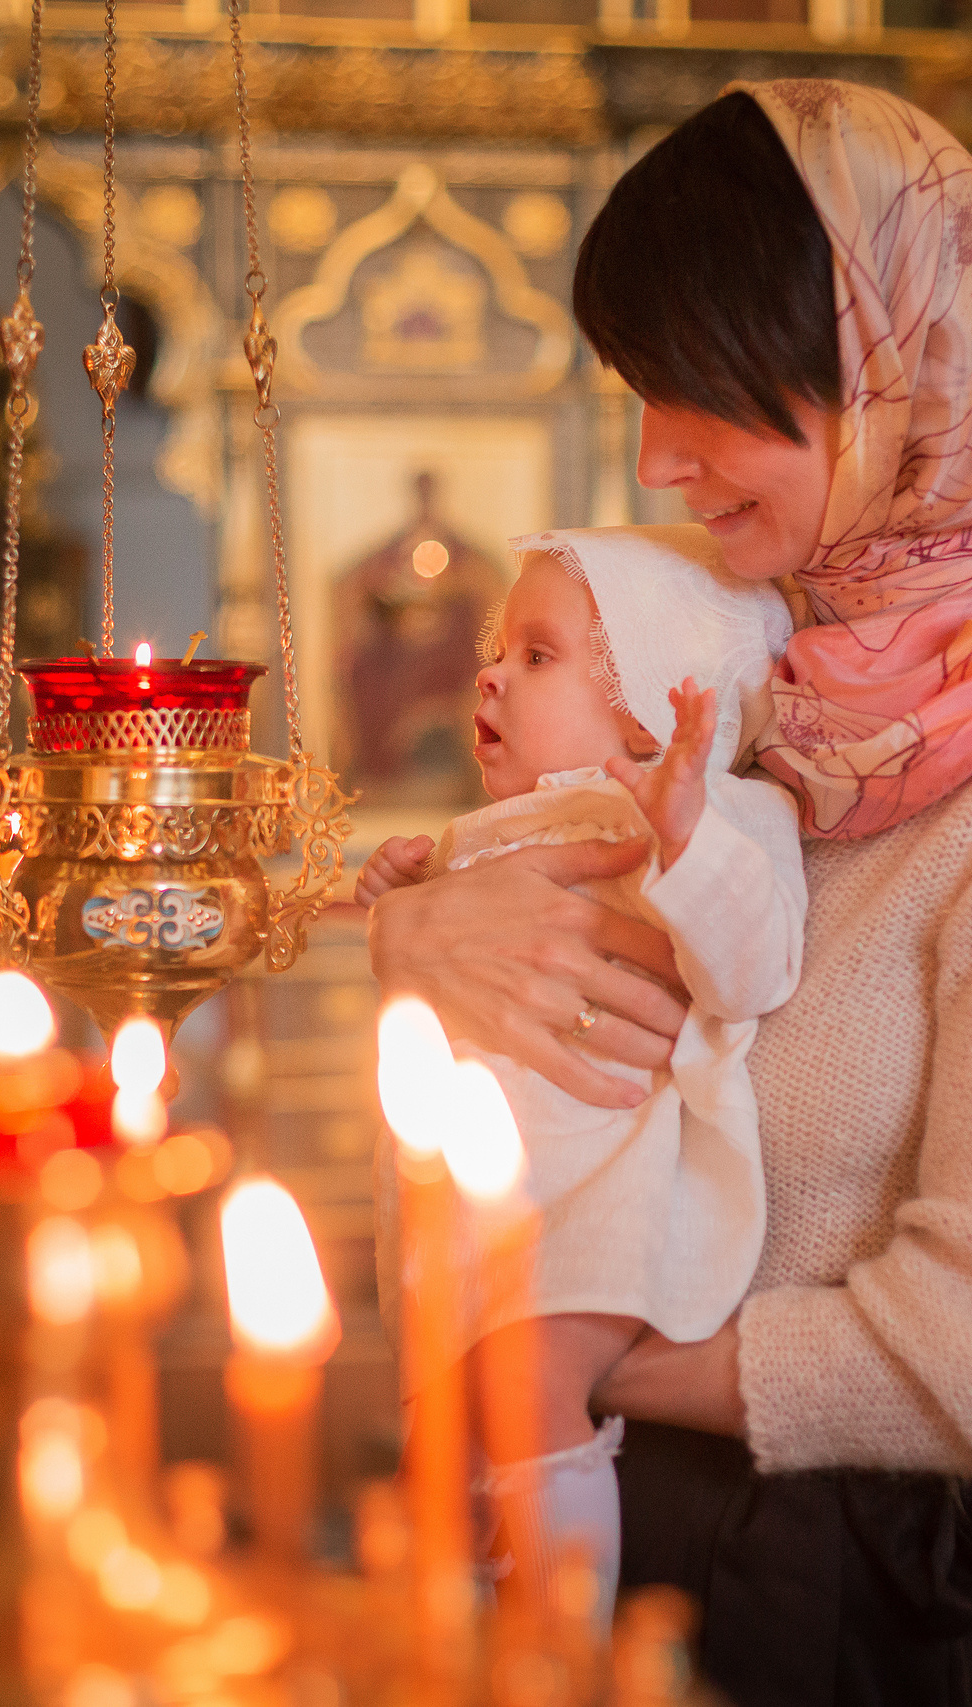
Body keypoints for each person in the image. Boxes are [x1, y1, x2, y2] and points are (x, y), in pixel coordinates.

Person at [367, 80, 972, 1705]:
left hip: (799, 1580)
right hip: (588, 1479)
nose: (654, 457)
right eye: (640, 391)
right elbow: (556, 964)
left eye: (702, 392)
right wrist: (423, 934)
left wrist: (549, 1347)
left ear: (892, 365)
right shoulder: (753, 665)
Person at [355, 526, 804, 1631]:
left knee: (536, 1387)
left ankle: (564, 1643)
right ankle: (458, 1625)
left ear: (654, 703)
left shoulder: (711, 814)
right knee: (444, 1419)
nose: (490, 669)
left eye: (539, 656)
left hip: (601, 1178)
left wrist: (688, 837)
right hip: (472, 1186)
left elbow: (752, 967)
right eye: (500, 649)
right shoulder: (495, 828)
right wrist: (401, 891)